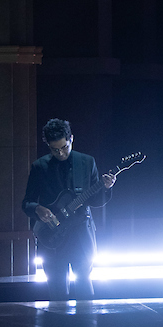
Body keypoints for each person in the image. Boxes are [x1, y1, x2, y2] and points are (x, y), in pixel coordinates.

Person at [21, 118, 115, 300]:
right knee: (56, 288)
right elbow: (27, 202)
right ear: (48, 145)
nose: (61, 153)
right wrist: (38, 209)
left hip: (81, 232)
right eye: (55, 150)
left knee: (84, 285)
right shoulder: (40, 167)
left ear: (71, 139)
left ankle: (87, 326)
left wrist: (106, 187)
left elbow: (95, 200)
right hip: (52, 234)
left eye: (64, 147)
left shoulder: (86, 162)